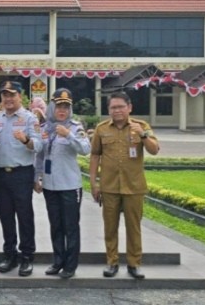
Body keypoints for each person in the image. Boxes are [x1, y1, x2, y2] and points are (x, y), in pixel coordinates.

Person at [90, 91, 160, 280]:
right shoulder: (102, 129)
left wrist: (143, 135)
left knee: (133, 227)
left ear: (129, 107)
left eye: (121, 106)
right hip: (109, 186)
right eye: (113, 107)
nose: (117, 110)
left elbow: (154, 150)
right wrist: (94, 183)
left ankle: (134, 264)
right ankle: (112, 262)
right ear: (108, 110)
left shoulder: (141, 126)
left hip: (134, 186)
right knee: (110, 227)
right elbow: (95, 155)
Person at [35, 88, 90, 279]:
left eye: (66, 107)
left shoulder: (75, 127)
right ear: (52, 107)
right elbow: (40, 155)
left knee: (70, 226)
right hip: (50, 185)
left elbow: (85, 149)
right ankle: (58, 261)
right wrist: (37, 177)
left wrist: (68, 135)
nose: (62, 110)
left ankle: (70, 265)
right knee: (56, 225)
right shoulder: (45, 128)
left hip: (69, 186)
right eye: (59, 106)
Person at [0, 81, 43, 276]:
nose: (8, 99)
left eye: (12, 95)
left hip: (21, 173)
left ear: (20, 96)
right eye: (5, 95)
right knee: (5, 216)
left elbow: (39, 145)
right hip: (0, 173)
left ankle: (27, 256)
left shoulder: (30, 119)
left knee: (24, 216)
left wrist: (26, 140)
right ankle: (10, 255)